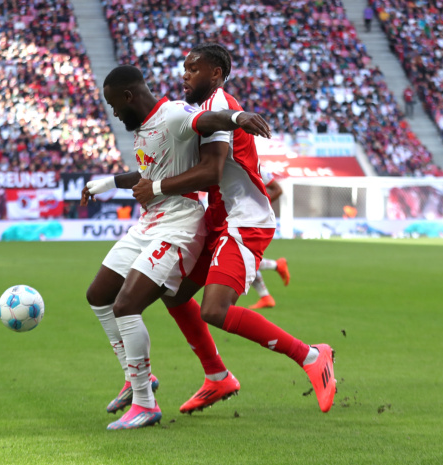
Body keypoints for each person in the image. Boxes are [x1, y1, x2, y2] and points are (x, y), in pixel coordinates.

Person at [132, 43, 336, 416]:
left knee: (214, 309)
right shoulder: (203, 111)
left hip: (243, 220)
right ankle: (217, 376)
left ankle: (310, 355)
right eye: (184, 68)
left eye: (194, 68)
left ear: (216, 73)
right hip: (216, 220)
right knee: (173, 293)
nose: (184, 74)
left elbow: (211, 170)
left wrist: (156, 187)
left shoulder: (218, 104)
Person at [81, 64, 271, 430]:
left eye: (114, 105)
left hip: (179, 224)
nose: (114, 113)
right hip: (150, 222)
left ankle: (145, 403)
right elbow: (148, 174)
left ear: (128, 96)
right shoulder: (143, 127)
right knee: (99, 295)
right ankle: (136, 377)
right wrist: (106, 184)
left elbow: (207, 120)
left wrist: (239, 117)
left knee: (127, 306)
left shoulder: (173, 114)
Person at [249, 167, 290, 310]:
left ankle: (276, 266)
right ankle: (265, 296)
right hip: (231, 217)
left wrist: (259, 208)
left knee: (243, 258)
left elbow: (277, 190)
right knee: (245, 259)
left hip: (249, 221)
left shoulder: (255, 167)